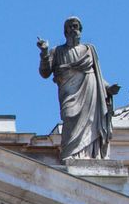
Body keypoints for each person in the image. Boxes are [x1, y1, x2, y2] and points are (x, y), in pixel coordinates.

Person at [36, 16, 117, 162]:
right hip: (69, 93)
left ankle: (90, 155)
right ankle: (70, 154)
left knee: (91, 121)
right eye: (70, 27)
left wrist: (108, 88)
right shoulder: (58, 51)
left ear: (80, 30)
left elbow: (98, 75)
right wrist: (44, 53)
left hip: (90, 90)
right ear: (65, 32)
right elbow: (45, 72)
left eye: (76, 26)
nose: (74, 30)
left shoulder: (89, 49)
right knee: (70, 117)